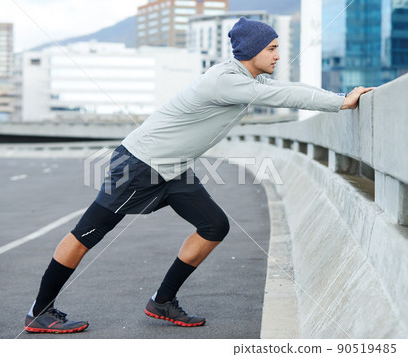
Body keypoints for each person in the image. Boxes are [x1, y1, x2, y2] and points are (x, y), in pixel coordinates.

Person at [24, 17, 374, 333]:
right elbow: (283, 94)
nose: (277, 56)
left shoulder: (238, 77)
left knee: (214, 226)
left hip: (171, 169)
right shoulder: (226, 81)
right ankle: (39, 311)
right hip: (139, 165)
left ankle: (161, 301)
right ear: (251, 51)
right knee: (87, 233)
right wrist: (341, 100)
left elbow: (280, 88)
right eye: (271, 49)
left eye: (278, 48)